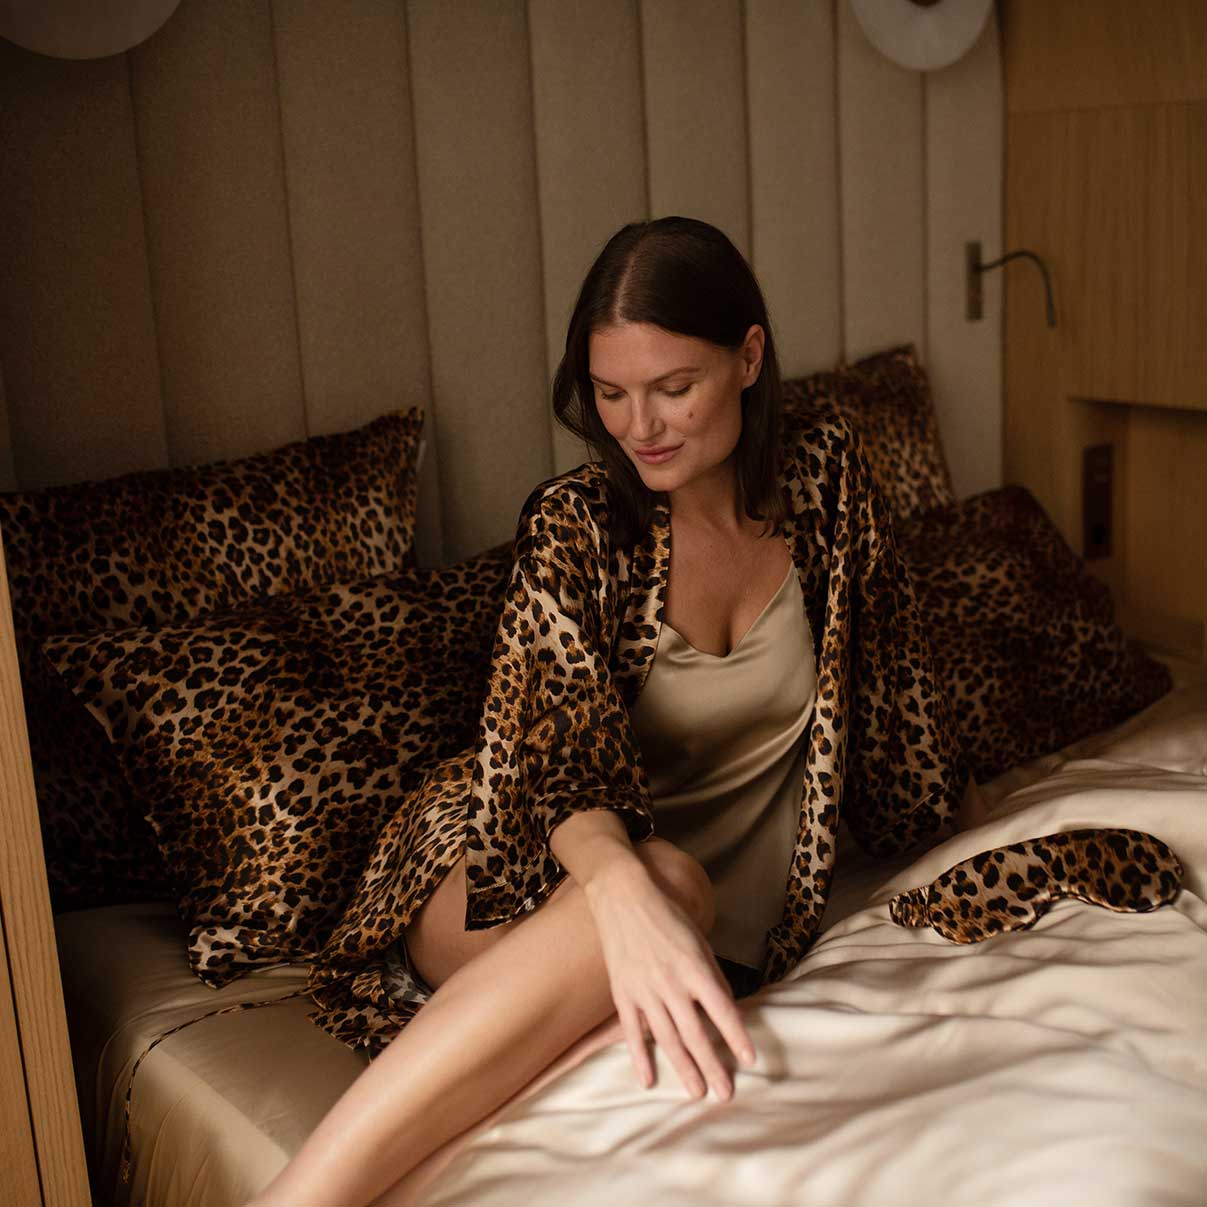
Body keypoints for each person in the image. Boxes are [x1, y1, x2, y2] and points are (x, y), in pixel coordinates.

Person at [246, 215, 985, 1207]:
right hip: (499, 859)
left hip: (704, 917)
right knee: (669, 879)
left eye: (674, 387)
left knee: (668, 911)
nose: (642, 426)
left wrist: (959, 818)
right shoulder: (578, 524)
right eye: (610, 393)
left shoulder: (826, 476)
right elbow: (547, 767)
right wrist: (629, 891)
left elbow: (891, 695)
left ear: (749, 357)